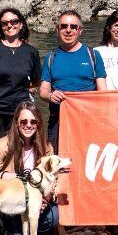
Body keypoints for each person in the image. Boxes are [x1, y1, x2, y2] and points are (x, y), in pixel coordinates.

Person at [0, 100, 59, 235]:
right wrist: (3, 176)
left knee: (54, 217)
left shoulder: (46, 147)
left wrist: (46, 198)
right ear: (16, 123)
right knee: (13, 224)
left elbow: (53, 180)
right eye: (24, 122)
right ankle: (5, 226)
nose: (28, 125)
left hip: (33, 201)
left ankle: (22, 231)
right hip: (10, 201)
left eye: (33, 122)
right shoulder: (4, 145)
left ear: (39, 123)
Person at [0, 8, 41, 152]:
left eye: (14, 22)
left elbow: (36, 81)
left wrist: (28, 86)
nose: (9, 26)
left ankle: (14, 174)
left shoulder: (31, 52)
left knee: (16, 149)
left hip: (19, 109)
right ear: (0, 26)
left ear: (21, 24)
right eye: (5, 23)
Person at [39, 10, 107, 150]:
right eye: (63, 26)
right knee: (58, 163)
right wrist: (50, 96)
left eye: (73, 26)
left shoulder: (93, 55)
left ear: (80, 30)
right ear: (57, 29)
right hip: (58, 121)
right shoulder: (51, 57)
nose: (68, 30)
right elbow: (43, 91)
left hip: (88, 120)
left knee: (87, 161)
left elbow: (103, 92)